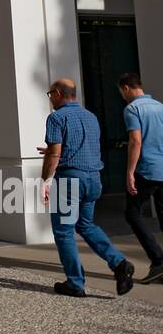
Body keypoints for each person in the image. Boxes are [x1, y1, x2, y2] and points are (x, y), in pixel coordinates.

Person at [39, 78, 133, 298]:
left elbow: (55, 153)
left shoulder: (56, 117)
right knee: (86, 225)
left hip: (70, 180)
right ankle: (119, 263)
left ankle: (75, 283)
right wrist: (54, 152)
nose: (50, 98)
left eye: (50, 94)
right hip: (93, 180)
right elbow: (81, 147)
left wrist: (45, 180)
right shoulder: (91, 117)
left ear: (58, 93)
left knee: (64, 232)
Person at [118, 72, 163, 285]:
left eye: (121, 92)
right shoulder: (160, 106)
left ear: (126, 88)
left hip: (146, 169)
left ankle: (158, 260)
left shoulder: (132, 109)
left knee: (132, 213)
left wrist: (129, 172)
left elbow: (135, 141)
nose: (122, 96)